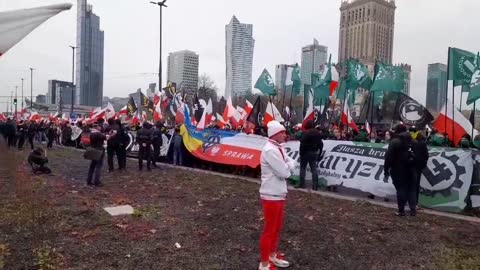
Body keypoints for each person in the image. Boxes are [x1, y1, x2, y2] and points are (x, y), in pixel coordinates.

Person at [258, 121, 295, 270]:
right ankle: (264, 264)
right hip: (271, 194)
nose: (285, 135)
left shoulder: (277, 148)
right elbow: (284, 172)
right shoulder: (270, 150)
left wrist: (288, 164)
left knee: (276, 227)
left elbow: (288, 162)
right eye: (283, 132)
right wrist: (290, 165)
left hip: (278, 193)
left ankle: (272, 255)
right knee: (269, 229)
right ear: (275, 134)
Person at [384, 124, 418, 217]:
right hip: (412, 169)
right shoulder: (414, 142)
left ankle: (401, 211)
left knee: (401, 189)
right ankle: (413, 211)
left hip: (398, 169)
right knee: (412, 190)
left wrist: (386, 169)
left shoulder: (395, 142)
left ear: (397, 131)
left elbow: (389, 157)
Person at [297, 120, 323, 190]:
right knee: (314, 169)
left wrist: (301, 153)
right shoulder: (318, 133)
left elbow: (302, 144)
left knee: (303, 168)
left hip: (305, 152)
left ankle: (302, 184)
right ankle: (315, 185)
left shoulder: (305, 133)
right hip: (314, 152)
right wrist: (320, 152)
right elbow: (321, 144)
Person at [413, 133, 429, 206]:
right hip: (419, 166)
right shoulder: (423, 144)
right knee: (416, 184)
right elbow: (426, 155)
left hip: (411, 165)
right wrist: (423, 164)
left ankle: (409, 200)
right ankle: (415, 202)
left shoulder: (413, 143)